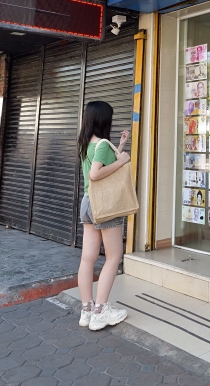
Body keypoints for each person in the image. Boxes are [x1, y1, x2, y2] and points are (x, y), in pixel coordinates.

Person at [76, 101, 131, 331]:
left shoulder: (86, 143)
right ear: (103, 120)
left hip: (88, 203)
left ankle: (87, 310)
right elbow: (96, 173)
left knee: (87, 258)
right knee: (113, 256)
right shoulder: (102, 146)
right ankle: (101, 311)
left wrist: (120, 145)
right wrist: (121, 160)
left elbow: (96, 165)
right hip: (104, 205)